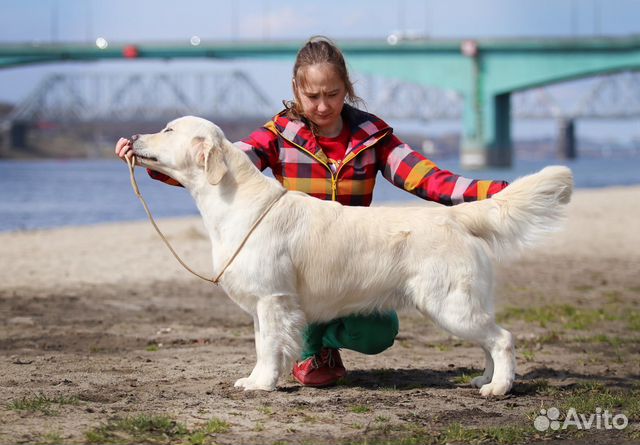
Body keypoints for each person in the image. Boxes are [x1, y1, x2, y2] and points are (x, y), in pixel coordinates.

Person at [115, 36, 509, 388]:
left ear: (346, 91)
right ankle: (304, 352)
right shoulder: (276, 135)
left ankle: (315, 344)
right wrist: (149, 157)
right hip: (304, 268)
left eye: (333, 94)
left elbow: (429, 179)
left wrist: (499, 196)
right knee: (276, 301)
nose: (323, 105)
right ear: (296, 91)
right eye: (313, 96)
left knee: (377, 331)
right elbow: (221, 166)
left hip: (358, 260)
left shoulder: (373, 137)